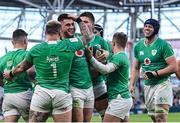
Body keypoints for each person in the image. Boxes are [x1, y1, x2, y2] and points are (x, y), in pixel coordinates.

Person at [3, 18, 93, 122]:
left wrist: (10, 74)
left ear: (45, 32)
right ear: (59, 32)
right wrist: (78, 20)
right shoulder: (69, 44)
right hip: (62, 95)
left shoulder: (36, 49)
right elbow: (88, 36)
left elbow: (21, 67)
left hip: (42, 94)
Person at [129, 18, 177, 122]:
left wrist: (155, 73)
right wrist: (131, 85)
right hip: (148, 86)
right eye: (145, 26)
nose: (146, 28)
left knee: (160, 117)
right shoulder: (138, 46)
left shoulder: (164, 45)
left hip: (162, 84)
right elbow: (136, 67)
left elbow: (174, 66)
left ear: (155, 29)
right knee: (154, 117)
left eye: (150, 27)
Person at [87, 32, 133, 122]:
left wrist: (91, 58)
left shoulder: (119, 57)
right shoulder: (121, 56)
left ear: (113, 43)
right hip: (123, 98)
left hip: (119, 99)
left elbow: (105, 69)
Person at [58, 13, 94, 122]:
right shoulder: (60, 44)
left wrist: (78, 20)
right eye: (67, 25)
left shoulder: (78, 38)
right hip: (74, 89)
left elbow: (90, 36)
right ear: (60, 28)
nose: (71, 27)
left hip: (89, 87)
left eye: (72, 24)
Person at [79, 12, 110, 119]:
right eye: (80, 22)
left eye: (86, 22)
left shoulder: (101, 41)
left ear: (92, 24)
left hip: (97, 84)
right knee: (81, 119)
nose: (83, 25)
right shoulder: (74, 39)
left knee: (106, 116)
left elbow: (109, 65)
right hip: (79, 85)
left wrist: (106, 57)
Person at [0, 29, 33, 122]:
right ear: (25, 41)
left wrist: (6, 84)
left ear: (12, 42)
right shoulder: (27, 55)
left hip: (8, 97)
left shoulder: (2, 58)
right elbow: (32, 72)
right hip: (24, 94)